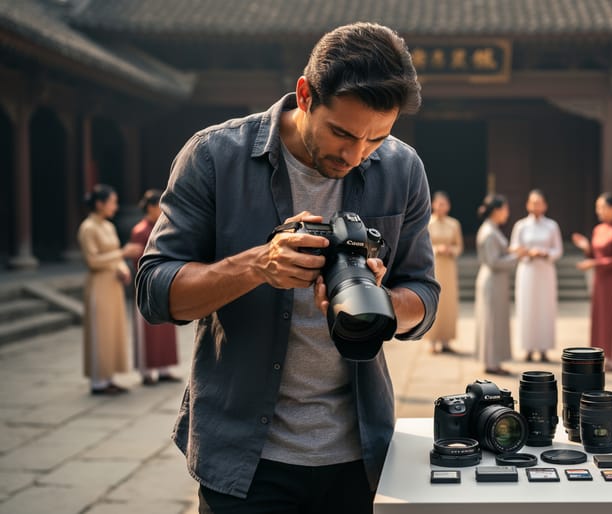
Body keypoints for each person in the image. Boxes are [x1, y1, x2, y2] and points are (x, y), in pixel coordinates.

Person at [135, 23, 439, 513]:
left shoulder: (402, 169)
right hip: (243, 458)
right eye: (341, 132)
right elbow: (154, 292)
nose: (356, 154)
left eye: (376, 138)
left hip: (361, 454)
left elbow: (424, 297)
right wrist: (258, 264)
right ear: (304, 94)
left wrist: (380, 300)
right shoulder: (215, 157)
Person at [77, 184, 143, 395]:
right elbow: (93, 261)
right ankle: (98, 381)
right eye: (112, 202)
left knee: (112, 331)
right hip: (99, 286)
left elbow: (114, 254)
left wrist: (122, 269)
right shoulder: (88, 228)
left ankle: (109, 377)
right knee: (99, 332)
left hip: (113, 284)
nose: (115, 206)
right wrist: (122, 255)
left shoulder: (108, 226)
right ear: (99, 204)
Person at [572, 193, 612, 370]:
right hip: (599, 279)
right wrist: (586, 248)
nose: (599, 211)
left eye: (602, 207)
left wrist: (593, 263)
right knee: (599, 317)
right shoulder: (598, 229)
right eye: (597, 208)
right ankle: (599, 354)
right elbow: (594, 254)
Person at [129, 189, 180, 385]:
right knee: (148, 329)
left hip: (165, 283)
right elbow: (138, 260)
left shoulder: (163, 226)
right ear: (150, 207)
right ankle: (147, 371)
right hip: (149, 284)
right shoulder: (140, 230)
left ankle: (164, 369)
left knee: (166, 328)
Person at [510, 189, 563, 363]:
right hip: (528, 271)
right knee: (527, 308)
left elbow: (558, 250)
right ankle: (528, 348)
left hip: (545, 271)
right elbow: (514, 247)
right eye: (532, 202)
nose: (536, 206)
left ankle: (544, 348)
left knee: (545, 309)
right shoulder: (521, 225)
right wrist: (527, 252)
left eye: (539, 202)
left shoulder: (552, 226)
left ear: (545, 205)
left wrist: (545, 253)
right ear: (527, 205)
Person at [474, 194, 524, 376]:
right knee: (492, 321)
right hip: (492, 280)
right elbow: (493, 261)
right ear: (496, 210)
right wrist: (517, 257)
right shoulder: (488, 231)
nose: (507, 213)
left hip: (496, 281)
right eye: (505, 209)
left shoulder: (492, 229)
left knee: (495, 320)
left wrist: (511, 252)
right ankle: (491, 362)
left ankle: (493, 360)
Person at [425, 191, 463, 354]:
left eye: (444, 204)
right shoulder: (427, 223)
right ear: (433, 204)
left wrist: (451, 250)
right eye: (439, 203)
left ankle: (446, 340)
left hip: (448, 266)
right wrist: (436, 249)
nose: (441, 207)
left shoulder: (454, 224)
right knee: (434, 301)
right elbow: (422, 245)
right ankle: (432, 340)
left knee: (448, 303)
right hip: (433, 266)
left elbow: (459, 246)